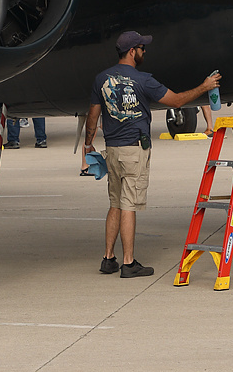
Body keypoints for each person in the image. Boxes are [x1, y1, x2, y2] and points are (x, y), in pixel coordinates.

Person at [83, 31, 220, 279]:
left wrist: (88, 144)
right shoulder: (143, 80)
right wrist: (204, 86)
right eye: (142, 48)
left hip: (112, 150)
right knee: (128, 205)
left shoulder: (101, 79)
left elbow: (93, 115)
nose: (145, 52)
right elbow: (177, 101)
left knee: (114, 203)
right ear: (133, 51)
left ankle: (108, 258)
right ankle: (128, 263)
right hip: (134, 150)